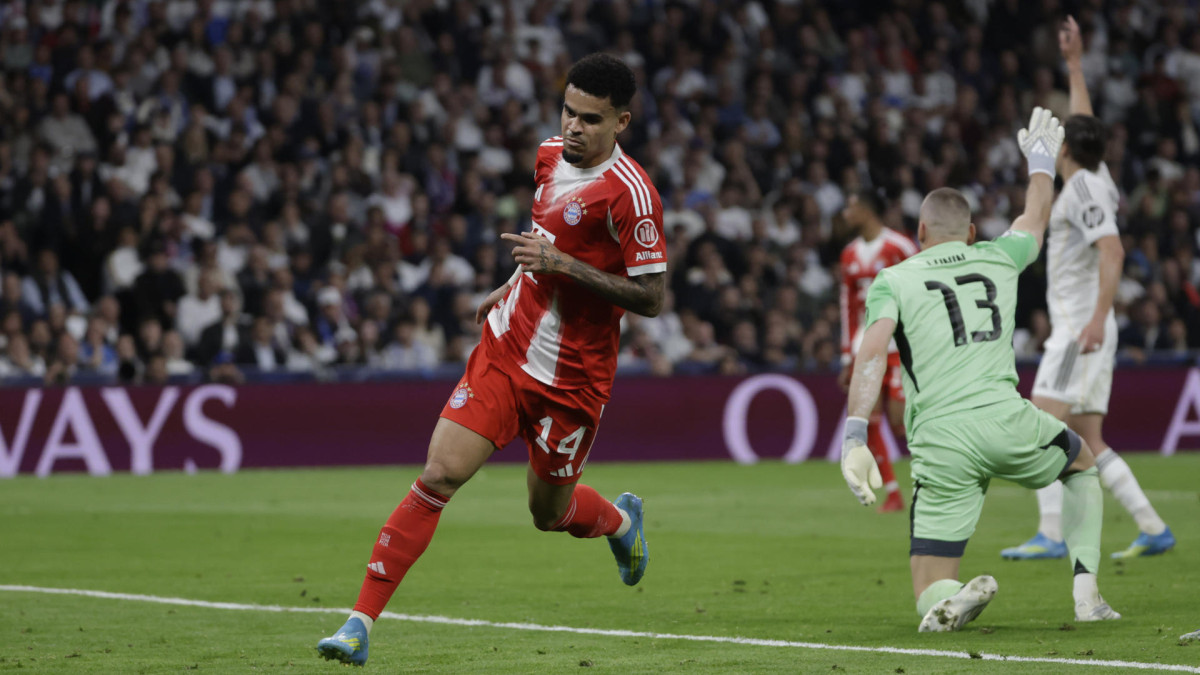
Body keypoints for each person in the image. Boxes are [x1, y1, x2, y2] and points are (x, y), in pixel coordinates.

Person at [317, 53, 667, 666]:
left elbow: (653, 298)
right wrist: (514, 284)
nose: (575, 127)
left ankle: (617, 522)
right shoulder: (547, 156)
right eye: (568, 111)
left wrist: (563, 268)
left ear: (622, 122)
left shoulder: (633, 197)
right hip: (507, 350)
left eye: (591, 118)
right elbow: (545, 243)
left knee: (547, 511)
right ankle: (358, 623)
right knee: (439, 475)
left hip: (576, 379)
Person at [840, 107, 1120, 631]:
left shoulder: (893, 279)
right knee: (1081, 463)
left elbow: (872, 349)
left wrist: (856, 433)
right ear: (969, 231)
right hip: (1009, 421)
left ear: (920, 230)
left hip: (942, 440)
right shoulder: (996, 257)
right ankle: (1087, 593)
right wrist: (1040, 160)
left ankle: (954, 594)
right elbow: (1035, 217)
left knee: (927, 586)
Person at [1001, 17, 1174, 562]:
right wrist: (1074, 65)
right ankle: (1152, 527)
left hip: (1080, 330)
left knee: (1040, 425)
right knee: (1088, 439)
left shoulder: (1078, 191)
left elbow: (1114, 250)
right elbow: (1085, 124)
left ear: (1068, 150)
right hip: (1089, 326)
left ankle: (1053, 533)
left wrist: (1096, 319)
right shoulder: (1094, 176)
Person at [837, 189, 918, 513]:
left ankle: (938, 474)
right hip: (864, 347)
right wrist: (847, 354)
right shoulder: (849, 254)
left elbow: (919, 292)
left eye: (851, 205)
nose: (845, 213)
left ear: (866, 210)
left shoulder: (900, 246)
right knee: (868, 420)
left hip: (899, 346)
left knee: (901, 421)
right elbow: (847, 306)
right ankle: (895, 493)